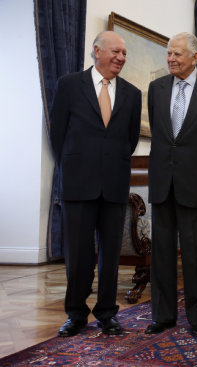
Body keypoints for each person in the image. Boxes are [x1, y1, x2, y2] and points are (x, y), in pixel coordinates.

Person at [50, 31, 142, 337]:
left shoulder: (131, 93)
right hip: (77, 183)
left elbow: (128, 141)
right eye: (115, 51)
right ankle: (75, 314)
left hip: (114, 184)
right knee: (77, 254)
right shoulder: (69, 85)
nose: (120, 57)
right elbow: (57, 135)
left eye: (124, 53)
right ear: (96, 51)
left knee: (110, 255)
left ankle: (106, 314)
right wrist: (75, 165)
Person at [144, 32, 197, 337]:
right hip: (162, 184)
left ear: (194, 57)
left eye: (177, 54)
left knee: (195, 256)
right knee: (162, 255)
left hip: (196, 184)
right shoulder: (156, 88)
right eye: (168, 54)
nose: (171, 59)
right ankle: (162, 316)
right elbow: (162, 134)